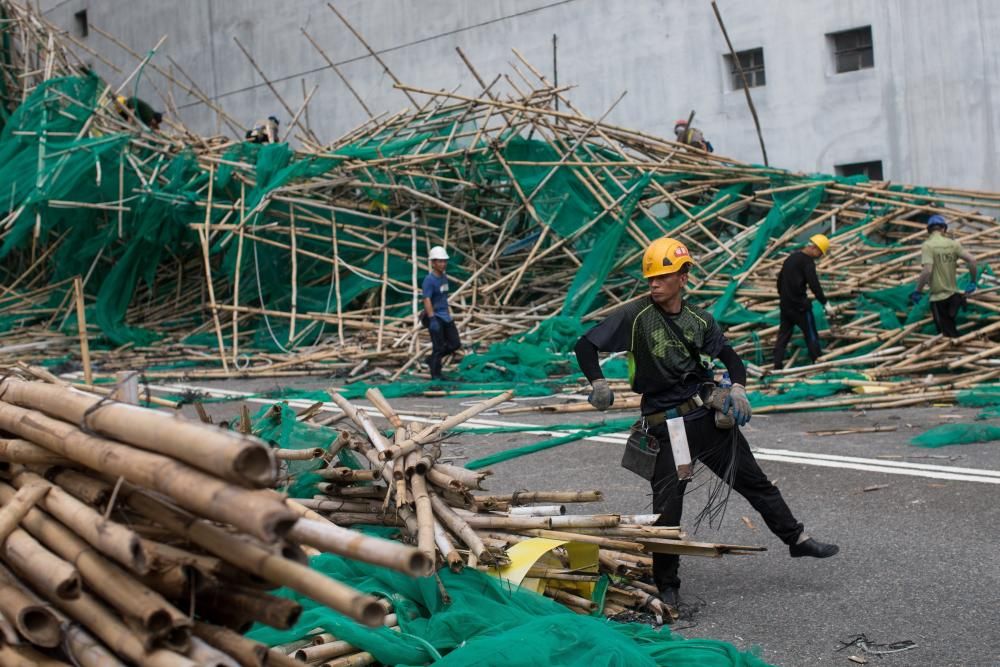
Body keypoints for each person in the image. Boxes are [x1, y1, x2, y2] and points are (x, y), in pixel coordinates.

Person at [574, 237, 838, 611]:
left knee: (754, 481)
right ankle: (668, 585)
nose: (654, 284)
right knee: (668, 509)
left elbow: (731, 359)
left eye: (663, 277)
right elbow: (585, 346)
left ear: (683, 277)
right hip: (668, 428)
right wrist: (597, 383)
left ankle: (797, 539)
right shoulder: (633, 316)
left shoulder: (699, 320)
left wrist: (740, 390)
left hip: (705, 419)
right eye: (650, 278)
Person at [772, 234, 835, 370]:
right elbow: (814, 285)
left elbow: (779, 280)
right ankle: (817, 362)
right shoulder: (807, 262)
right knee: (811, 334)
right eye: (820, 253)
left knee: (783, 336)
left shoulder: (791, 258)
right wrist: (825, 303)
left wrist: (784, 297)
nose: (819, 256)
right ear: (815, 248)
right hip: (800, 307)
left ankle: (777, 365)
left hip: (785, 306)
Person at [910, 215, 978, 337]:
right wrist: (973, 282)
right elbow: (972, 260)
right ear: (944, 229)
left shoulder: (928, 245)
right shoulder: (953, 244)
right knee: (952, 331)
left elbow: (927, 271)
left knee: (946, 336)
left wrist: (917, 291)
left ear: (929, 230)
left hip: (939, 299)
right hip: (955, 297)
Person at [421, 245, 461, 380]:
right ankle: (436, 376)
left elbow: (443, 297)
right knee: (438, 347)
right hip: (436, 316)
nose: (443, 264)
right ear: (433, 263)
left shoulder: (444, 277)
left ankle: (431, 359)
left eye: (444, 261)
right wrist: (432, 319)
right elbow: (427, 299)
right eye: (439, 261)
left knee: (455, 343)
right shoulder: (429, 280)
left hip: (446, 316)